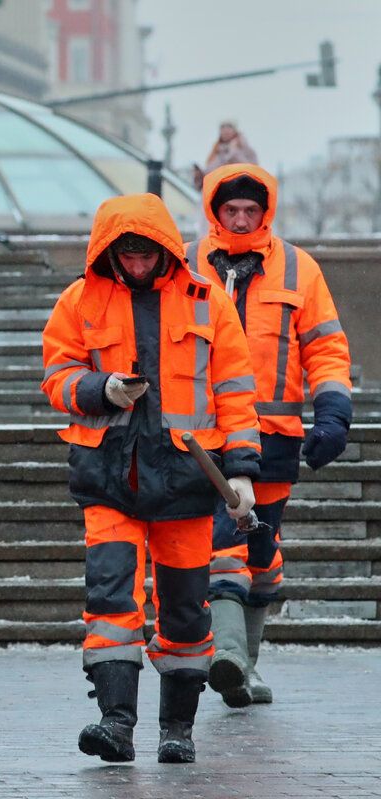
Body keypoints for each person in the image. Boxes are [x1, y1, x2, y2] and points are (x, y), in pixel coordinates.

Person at [41, 193, 262, 765]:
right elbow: (57, 375)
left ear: (165, 249)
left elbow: (235, 392)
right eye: (126, 255)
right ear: (109, 252)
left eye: (146, 254)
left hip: (187, 483)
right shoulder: (80, 299)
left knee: (186, 609)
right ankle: (115, 722)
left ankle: (177, 728)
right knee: (110, 598)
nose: (136, 265)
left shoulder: (208, 301)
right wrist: (98, 388)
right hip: (109, 479)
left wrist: (240, 472)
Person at [187, 164, 352, 708]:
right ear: (215, 210)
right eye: (230, 210)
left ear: (265, 213)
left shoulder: (298, 269)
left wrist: (333, 413)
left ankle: (246, 667)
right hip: (202, 435)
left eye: (249, 211)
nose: (239, 219)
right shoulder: (185, 264)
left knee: (261, 550)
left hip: (273, 434)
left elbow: (326, 348)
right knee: (224, 545)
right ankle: (229, 655)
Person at [191, 120, 257, 191]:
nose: (225, 132)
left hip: (236, 194)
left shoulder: (245, 150)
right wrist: (199, 175)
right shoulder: (216, 152)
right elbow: (204, 182)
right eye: (223, 129)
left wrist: (233, 151)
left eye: (228, 129)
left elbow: (251, 171)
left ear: (235, 132)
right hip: (215, 195)